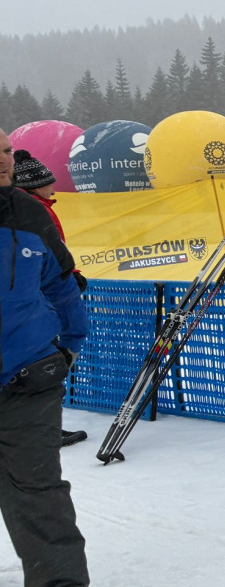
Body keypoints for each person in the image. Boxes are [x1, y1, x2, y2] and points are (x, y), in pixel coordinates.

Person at [0, 128, 91, 586]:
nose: (3, 160)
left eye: (5, 150)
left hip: (28, 377)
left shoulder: (30, 213)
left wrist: (70, 343)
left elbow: (61, 282)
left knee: (39, 493)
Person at [12, 149, 89, 447]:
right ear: (34, 185)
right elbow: (47, 252)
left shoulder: (22, 206)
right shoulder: (33, 209)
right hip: (38, 301)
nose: (54, 188)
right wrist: (67, 278)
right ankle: (41, 430)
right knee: (44, 363)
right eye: (49, 183)